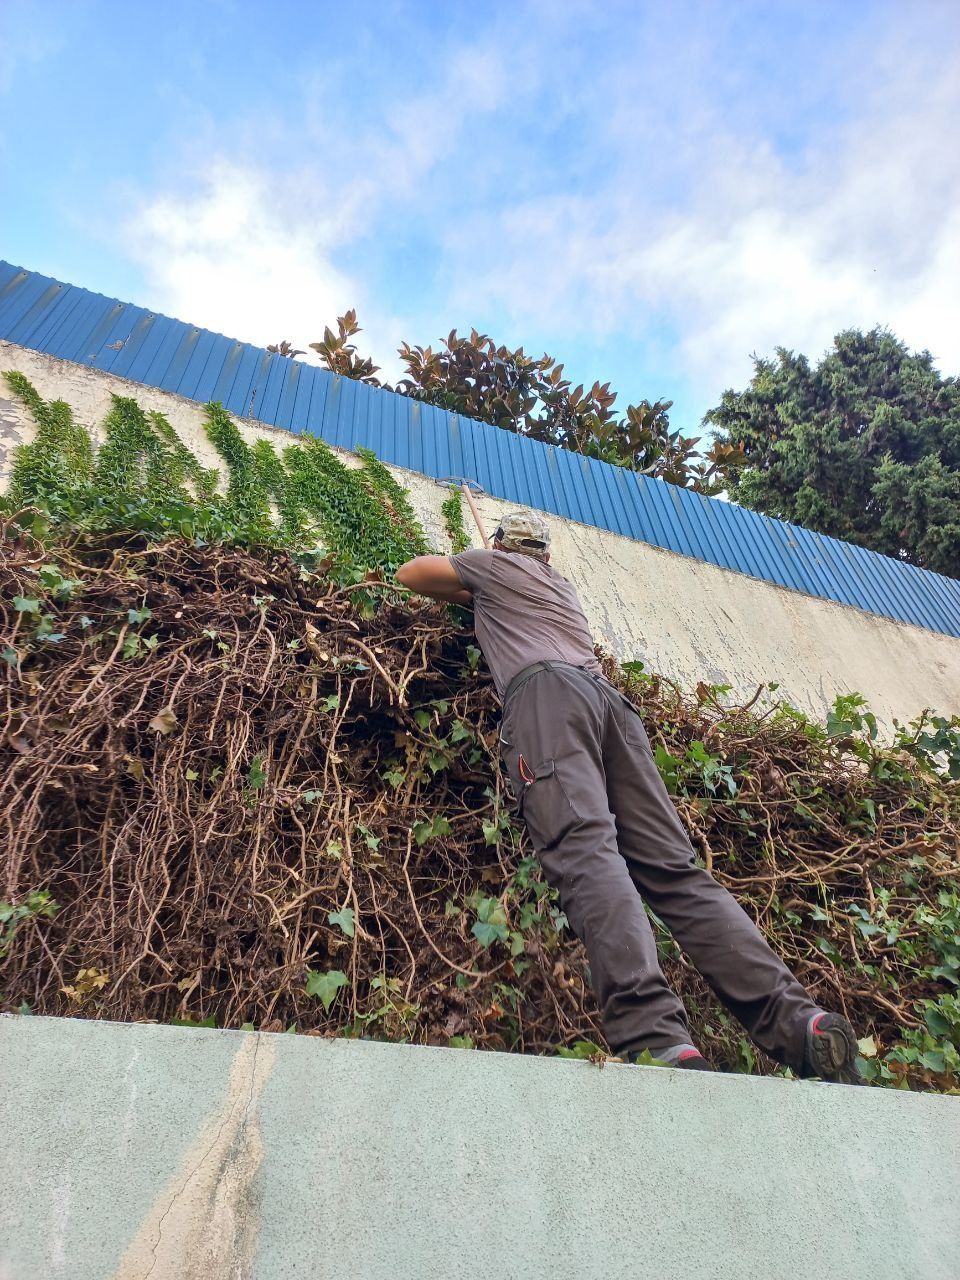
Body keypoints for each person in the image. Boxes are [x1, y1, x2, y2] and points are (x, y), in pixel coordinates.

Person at [395, 508, 863, 1082]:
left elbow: (411, 574)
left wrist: (473, 579)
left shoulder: (493, 566)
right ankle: (798, 1022)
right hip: (613, 709)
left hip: (548, 701)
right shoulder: (560, 589)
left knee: (587, 850)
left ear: (500, 545)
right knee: (675, 871)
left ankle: (654, 1035)